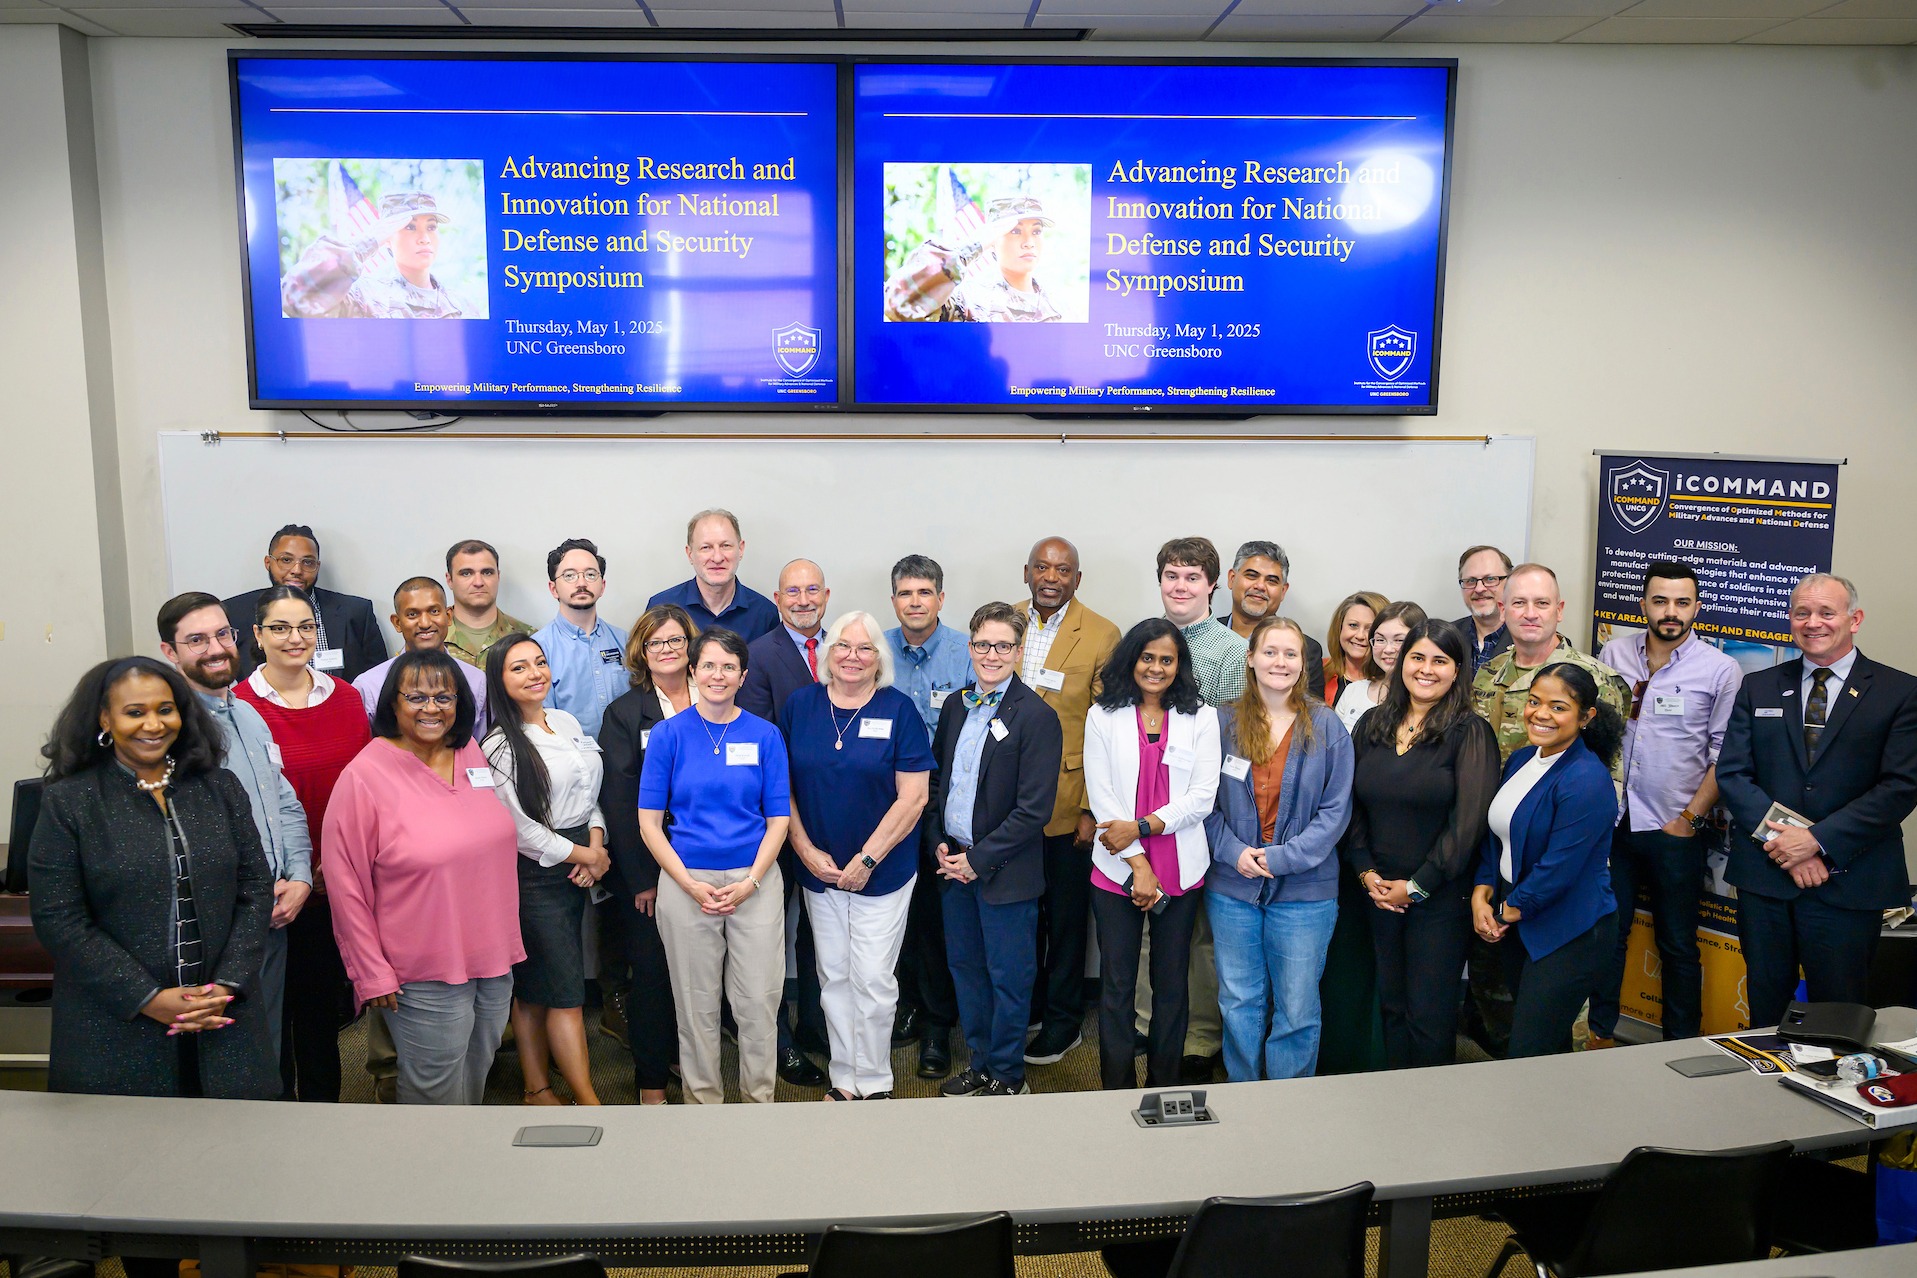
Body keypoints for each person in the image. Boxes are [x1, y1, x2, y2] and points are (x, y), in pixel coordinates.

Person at [30, 657, 279, 1104]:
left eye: (165, 709)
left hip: (223, 1017)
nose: (153, 724)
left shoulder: (221, 788)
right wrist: (147, 998)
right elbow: (59, 919)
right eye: (134, 712)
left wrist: (226, 985)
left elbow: (256, 888)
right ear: (105, 718)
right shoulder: (69, 802)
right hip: (116, 1026)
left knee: (238, 1157)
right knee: (125, 1165)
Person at [323, 649, 523, 1104]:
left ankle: (462, 1163)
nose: (431, 708)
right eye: (415, 696)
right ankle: (428, 1170)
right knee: (433, 1086)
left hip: (492, 955)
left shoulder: (468, 752)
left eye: (444, 697)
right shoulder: (363, 777)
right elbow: (345, 886)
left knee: (478, 1066)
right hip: (420, 966)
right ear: (392, 703)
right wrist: (370, 974)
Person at [1717, 573, 1917, 1028]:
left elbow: (1900, 787)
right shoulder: (1759, 686)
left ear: (1855, 619)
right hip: (1767, 880)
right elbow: (1733, 773)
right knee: (1766, 1011)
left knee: (1838, 1016)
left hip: (1849, 881)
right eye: (1802, 613)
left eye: (1827, 612)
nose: (1813, 623)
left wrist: (1817, 842)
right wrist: (1786, 845)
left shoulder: (1900, 692)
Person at [1467, 565, 1629, 1058]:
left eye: (1541, 603)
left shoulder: (1594, 684)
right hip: (1511, 884)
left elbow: (1588, 823)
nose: (1541, 713)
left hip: (1560, 904)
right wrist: (1485, 892)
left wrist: (1508, 909)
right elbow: (1495, 812)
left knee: (1552, 1040)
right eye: (1519, 603)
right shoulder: (1489, 679)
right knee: (1513, 1028)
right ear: (1503, 608)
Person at [1587, 561, 1743, 1046]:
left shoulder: (1720, 670)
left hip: (1675, 828)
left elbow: (1723, 756)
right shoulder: (1613, 653)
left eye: (1681, 602)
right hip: (1614, 823)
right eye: (1660, 601)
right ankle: (1599, 1034)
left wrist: (1688, 820)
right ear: (1644, 605)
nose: (1670, 612)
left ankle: (1679, 1044)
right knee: (1607, 936)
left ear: (1697, 607)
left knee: (1677, 944)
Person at [156, 592, 312, 1068]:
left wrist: (301, 876)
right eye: (197, 640)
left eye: (222, 634)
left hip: (275, 916)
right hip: (217, 927)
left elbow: (284, 803)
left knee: (266, 1049)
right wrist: (254, 899)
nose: (216, 648)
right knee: (221, 1059)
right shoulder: (169, 729)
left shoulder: (248, 713)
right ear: (170, 652)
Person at [782, 611, 934, 1100]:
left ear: (879, 660)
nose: (852, 656)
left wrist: (867, 859)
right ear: (828, 655)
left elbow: (914, 798)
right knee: (833, 978)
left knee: (871, 978)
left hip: (883, 872)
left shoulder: (899, 711)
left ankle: (874, 1081)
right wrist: (804, 849)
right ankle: (844, 1077)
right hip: (818, 871)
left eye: (865, 648)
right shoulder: (800, 706)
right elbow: (778, 787)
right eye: (843, 646)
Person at [639, 629, 792, 1105]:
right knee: (695, 1006)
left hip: (756, 881)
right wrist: (689, 884)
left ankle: (758, 1104)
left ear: (743, 676)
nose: (718, 675)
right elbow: (648, 823)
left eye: (729, 667)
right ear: (692, 671)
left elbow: (779, 819)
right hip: (687, 885)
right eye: (708, 665)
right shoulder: (668, 735)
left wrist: (750, 882)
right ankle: (703, 1108)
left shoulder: (765, 735)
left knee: (757, 1005)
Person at [233, 585, 372, 1102]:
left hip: (334, 878)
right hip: (264, 885)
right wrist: (287, 871)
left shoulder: (348, 697)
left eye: (306, 627)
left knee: (319, 1012)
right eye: (280, 628)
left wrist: (331, 866)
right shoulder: (236, 707)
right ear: (257, 636)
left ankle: (322, 1115)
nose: (295, 638)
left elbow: (364, 789)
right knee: (267, 1013)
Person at [1342, 619, 1500, 1069]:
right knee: (1391, 1006)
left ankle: (1430, 1119)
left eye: (1440, 660)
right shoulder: (1373, 723)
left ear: (1457, 670)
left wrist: (1415, 886)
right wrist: (1367, 873)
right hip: (1376, 892)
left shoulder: (1469, 731)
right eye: (1417, 657)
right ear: (1401, 662)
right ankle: (1393, 1110)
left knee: (1428, 1016)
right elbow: (1349, 805)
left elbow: (1467, 825)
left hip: (1438, 898)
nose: (1426, 669)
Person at [1206, 618, 1353, 1082]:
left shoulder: (1327, 726)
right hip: (1233, 886)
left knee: (1296, 1006)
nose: (1280, 662)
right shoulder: (1220, 722)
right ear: (1250, 658)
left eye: (1290, 654)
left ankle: (1290, 1106)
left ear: (1303, 663)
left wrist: (1280, 858)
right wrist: (1234, 852)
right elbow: (1200, 804)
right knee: (1238, 999)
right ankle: (1243, 1093)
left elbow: (1336, 812)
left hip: (1305, 891)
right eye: (1270, 652)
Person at [928, 603, 1064, 1097]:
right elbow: (938, 782)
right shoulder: (956, 706)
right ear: (970, 647)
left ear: (1018, 651)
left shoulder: (1037, 717)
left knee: (1008, 978)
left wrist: (978, 860)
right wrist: (941, 845)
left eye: (1003, 646)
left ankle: (1007, 1075)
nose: (991, 654)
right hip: (953, 865)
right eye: (983, 644)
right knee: (966, 970)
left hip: (1003, 872)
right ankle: (980, 1062)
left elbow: (1034, 810)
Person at [1083, 620, 1222, 1090]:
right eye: (1148, 657)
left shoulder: (1201, 716)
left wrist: (1142, 828)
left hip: (1181, 864)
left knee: (1171, 986)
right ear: (1131, 659)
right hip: (1119, 867)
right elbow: (1102, 796)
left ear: (1179, 665)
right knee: (1118, 986)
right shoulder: (1103, 714)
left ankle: (1165, 1086)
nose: (1156, 668)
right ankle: (1116, 1088)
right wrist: (1138, 862)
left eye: (1167, 659)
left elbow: (1203, 797)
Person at [482, 635, 611, 1106]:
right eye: (519, 668)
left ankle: (535, 1086)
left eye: (539, 662)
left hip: (581, 858)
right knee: (564, 991)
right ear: (500, 680)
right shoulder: (498, 745)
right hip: (534, 875)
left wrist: (596, 845)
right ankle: (588, 1100)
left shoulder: (565, 721)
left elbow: (589, 795)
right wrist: (584, 857)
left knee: (538, 986)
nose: (535, 673)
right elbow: (519, 830)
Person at [1019, 537, 1119, 1068]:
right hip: (1010, 804)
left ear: (1078, 578)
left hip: (1067, 801)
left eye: (1063, 569)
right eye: (1042, 567)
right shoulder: (1004, 622)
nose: (1051, 577)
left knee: (1064, 918)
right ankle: (1030, 1008)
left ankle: (1062, 1022)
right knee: (1020, 916)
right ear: (1027, 572)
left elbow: (1107, 729)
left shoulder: (1103, 634)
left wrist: (1089, 809)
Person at [738, 557, 833, 1087]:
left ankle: (817, 1026)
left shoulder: (844, 647)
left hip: (833, 820)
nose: (803, 599)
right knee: (771, 937)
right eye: (792, 591)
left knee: (819, 934)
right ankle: (779, 1043)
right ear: (777, 599)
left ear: (826, 594)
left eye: (812, 589)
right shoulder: (759, 655)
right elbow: (759, 744)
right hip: (775, 819)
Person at [599, 604, 699, 1105]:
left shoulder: (717, 696)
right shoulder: (623, 714)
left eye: (676, 641)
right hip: (652, 873)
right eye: (657, 642)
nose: (668, 650)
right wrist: (642, 878)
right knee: (654, 976)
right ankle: (651, 1082)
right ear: (641, 650)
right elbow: (619, 804)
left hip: (712, 862)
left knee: (702, 974)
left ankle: (690, 1060)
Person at [882, 554, 972, 1078]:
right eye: (904, 593)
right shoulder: (875, 650)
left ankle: (939, 1025)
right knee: (898, 914)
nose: (914, 602)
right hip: (887, 803)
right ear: (893, 600)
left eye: (924, 593)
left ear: (940, 598)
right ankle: (907, 1006)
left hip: (942, 801)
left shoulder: (966, 651)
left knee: (939, 918)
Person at [223, 524, 387, 683]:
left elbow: (377, 681)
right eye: (286, 560)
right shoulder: (235, 613)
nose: (297, 570)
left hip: (338, 708)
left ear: (317, 566)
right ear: (268, 563)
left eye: (307, 562)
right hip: (261, 710)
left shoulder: (356, 612)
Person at [280, 190, 466, 319]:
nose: (424, 238)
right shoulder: (364, 296)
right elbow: (296, 296)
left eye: (431, 227)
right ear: (387, 239)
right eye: (410, 227)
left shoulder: (462, 305)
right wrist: (368, 241)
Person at [884, 194, 1063, 323]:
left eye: (1036, 231)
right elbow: (899, 305)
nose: (1029, 242)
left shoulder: (1063, 306)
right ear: (992, 239)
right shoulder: (968, 302)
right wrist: (973, 246)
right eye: (1015, 231)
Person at [352, 578, 487, 727]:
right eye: (412, 615)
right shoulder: (369, 685)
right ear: (397, 623)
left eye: (434, 611)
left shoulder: (476, 680)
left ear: (449, 616)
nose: (425, 623)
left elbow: (480, 745)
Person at [533, 537, 629, 741]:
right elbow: (540, 721)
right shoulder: (538, 649)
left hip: (626, 762)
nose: (582, 583)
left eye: (590, 574)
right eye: (569, 576)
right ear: (553, 588)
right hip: (570, 762)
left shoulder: (625, 642)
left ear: (602, 586)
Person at [646, 509, 780, 642]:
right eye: (706, 547)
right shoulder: (660, 606)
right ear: (690, 554)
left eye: (725, 546)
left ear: (740, 549)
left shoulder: (765, 613)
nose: (717, 558)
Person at [1220, 541, 1327, 700]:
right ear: (1232, 579)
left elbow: (1310, 715)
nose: (1260, 586)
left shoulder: (1306, 649)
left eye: (1271, 581)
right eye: (1251, 575)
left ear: (1283, 591)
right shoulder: (1204, 637)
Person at [1160, 536, 1248, 707]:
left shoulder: (1235, 652)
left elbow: (1231, 729)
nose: (1180, 586)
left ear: (1211, 584)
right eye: (1171, 576)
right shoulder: (1139, 640)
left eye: (1192, 578)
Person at [1334, 601, 1428, 732]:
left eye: (1399, 640)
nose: (1388, 649)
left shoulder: (1424, 699)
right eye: (1380, 639)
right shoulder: (1353, 691)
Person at [445, 539, 533, 668]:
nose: (478, 582)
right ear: (449, 580)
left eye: (487, 572)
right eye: (466, 573)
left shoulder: (527, 636)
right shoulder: (430, 636)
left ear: (498, 576)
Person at [1454, 545, 1515, 674]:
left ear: (1510, 582)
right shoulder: (1448, 636)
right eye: (1471, 581)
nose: (1479, 589)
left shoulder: (1532, 640)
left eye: (1490, 579)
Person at [1323, 591, 1388, 709]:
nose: (1360, 636)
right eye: (1353, 625)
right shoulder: (1317, 671)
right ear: (1340, 628)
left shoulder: (1394, 685)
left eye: (1370, 628)